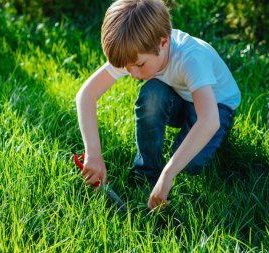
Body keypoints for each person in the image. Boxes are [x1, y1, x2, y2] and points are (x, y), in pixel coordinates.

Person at [75, 0, 241, 210]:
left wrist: (169, 173)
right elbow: (86, 95)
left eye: (139, 65)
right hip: (181, 97)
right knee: (152, 93)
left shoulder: (191, 58)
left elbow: (209, 120)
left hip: (217, 106)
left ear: (163, 42)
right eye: (126, 67)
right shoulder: (135, 51)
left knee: (189, 165)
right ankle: (146, 173)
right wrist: (93, 154)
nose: (133, 74)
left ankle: (166, 170)